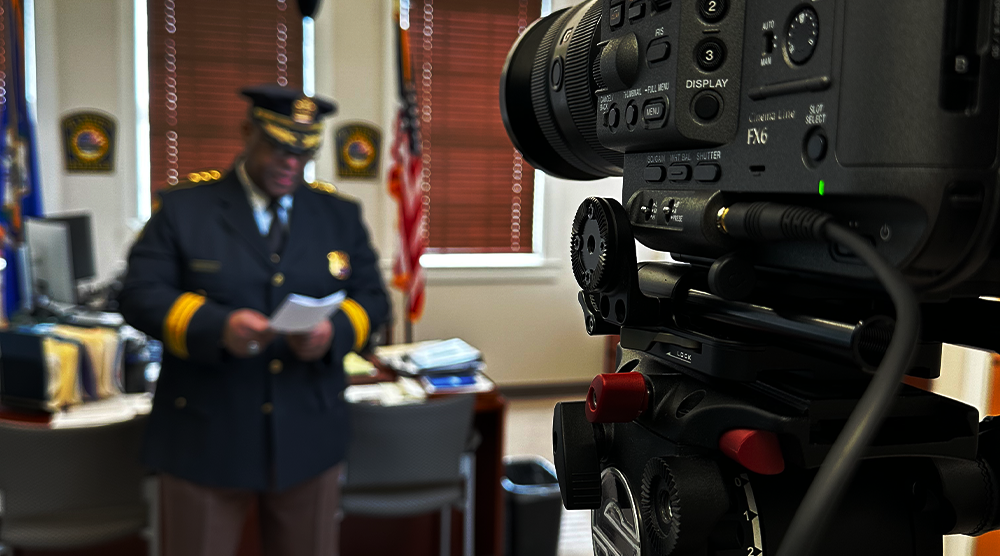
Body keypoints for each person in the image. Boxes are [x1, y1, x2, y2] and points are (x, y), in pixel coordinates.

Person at [118, 84, 390, 556]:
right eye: (279, 147)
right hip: (205, 432)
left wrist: (333, 333)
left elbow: (372, 297)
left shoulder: (337, 214)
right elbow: (139, 294)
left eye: (304, 153)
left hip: (308, 430)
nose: (291, 163)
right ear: (247, 132)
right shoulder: (185, 209)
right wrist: (216, 325)